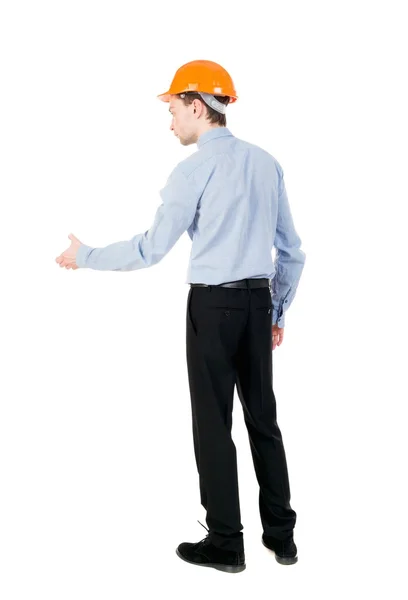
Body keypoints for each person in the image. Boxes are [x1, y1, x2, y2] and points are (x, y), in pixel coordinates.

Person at [55, 59, 306, 574]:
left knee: (212, 424)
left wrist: (85, 256)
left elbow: (151, 250)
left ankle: (226, 544)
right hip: (258, 305)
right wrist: (275, 311)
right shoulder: (267, 163)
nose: (169, 121)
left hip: (213, 308)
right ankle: (282, 540)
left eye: (172, 109)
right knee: (264, 420)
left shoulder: (192, 169)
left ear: (197, 106)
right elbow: (293, 252)